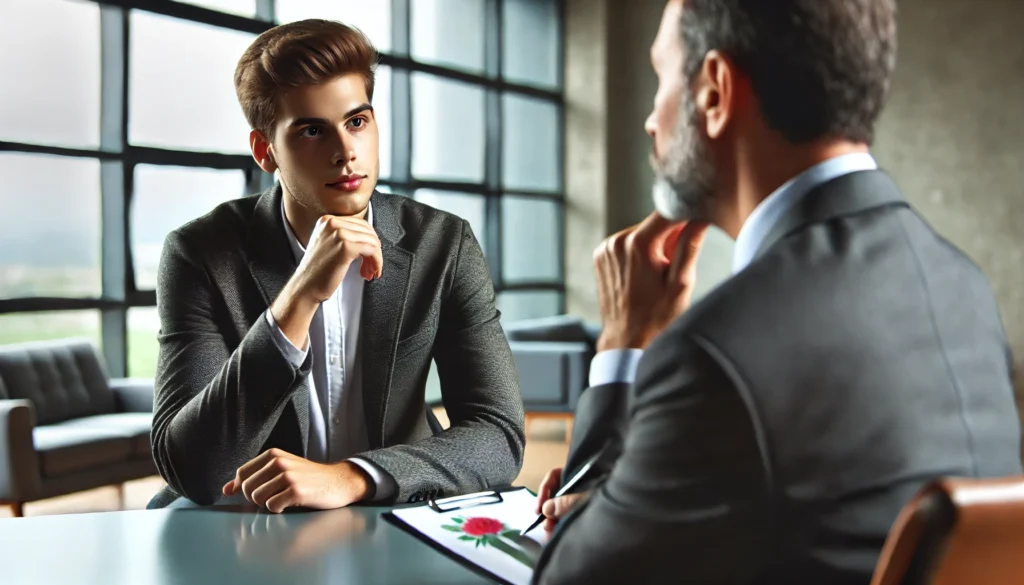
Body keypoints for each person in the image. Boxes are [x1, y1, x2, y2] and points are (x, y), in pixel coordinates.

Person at [532, 0, 1022, 583]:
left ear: (714, 92)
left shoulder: (716, 357)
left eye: (662, 75)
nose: (650, 120)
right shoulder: (964, 286)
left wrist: (623, 343)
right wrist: (627, 508)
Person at [148, 19, 525, 511]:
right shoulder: (199, 253)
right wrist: (297, 300)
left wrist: (352, 477)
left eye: (357, 122)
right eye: (311, 131)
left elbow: (498, 433)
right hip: (254, 521)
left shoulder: (442, 244)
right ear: (266, 151)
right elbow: (190, 467)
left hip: (394, 504)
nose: (345, 152)